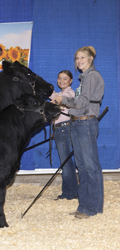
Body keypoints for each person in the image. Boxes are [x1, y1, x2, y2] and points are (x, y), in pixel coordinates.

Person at [52, 46, 104, 219]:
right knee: (81, 167)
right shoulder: (84, 78)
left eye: (82, 57)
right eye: (77, 58)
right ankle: (83, 206)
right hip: (77, 124)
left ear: (90, 59)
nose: (79, 61)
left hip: (86, 123)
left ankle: (93, 208)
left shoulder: (92, 76)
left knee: (90, 167)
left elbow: (81, 102)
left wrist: (62, 99)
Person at [49, 70, 78, 200]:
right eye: (59, 78)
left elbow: (55, 100)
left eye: (65, 79)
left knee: (66, 162)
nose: (61, 81)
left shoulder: (69, 93)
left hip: (64, 129)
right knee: (66, 162)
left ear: (71, 81)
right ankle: (72, 192)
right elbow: (54, 95)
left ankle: (69, 193)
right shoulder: (60, 93)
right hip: (60, 129)